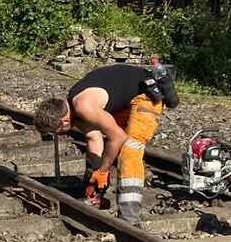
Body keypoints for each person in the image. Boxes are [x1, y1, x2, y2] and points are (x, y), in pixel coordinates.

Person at [33, 60, 179, 223]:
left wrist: (103, 170)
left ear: (64, 122)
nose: (60, 135)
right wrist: (94, 178)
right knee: (113, 148)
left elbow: (117, 137)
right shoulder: (72, 108)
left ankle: (130, 216)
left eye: (57, 132)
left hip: (146, 95)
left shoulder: (83, 107)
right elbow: (94, 138)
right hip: (125, 101)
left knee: (129, 150)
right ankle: (96, 196)